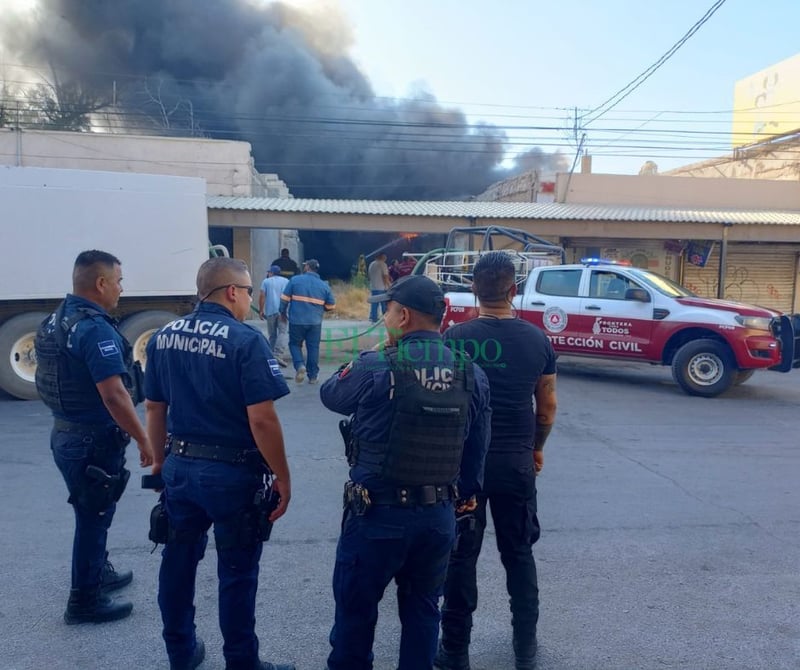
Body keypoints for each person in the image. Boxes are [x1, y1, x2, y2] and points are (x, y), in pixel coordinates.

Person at [319, 274, 492, 670]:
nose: (384, 316)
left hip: (376, 518)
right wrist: (462, 499)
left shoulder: (378, 364)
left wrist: (378, 349)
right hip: (437, 519)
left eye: (388, 310)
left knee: (355, 614)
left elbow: (331, 394)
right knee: (423, 614)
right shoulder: (472, 372)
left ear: (403, 315)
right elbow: (476, 449)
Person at [144, 257, 295, 670]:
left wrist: (159, 465)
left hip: (180, 466)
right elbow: (262, 419)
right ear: (232, 292)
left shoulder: (163, 336)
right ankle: (242, 662)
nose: (249, 300)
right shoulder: (245, 341)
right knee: (237, 574)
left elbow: (154, 408)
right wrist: (282, 475)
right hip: (232, 476)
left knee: (177, 563)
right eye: (248, 292)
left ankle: (180, 653)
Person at [435, 252, 558, 670]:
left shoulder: (454, 339)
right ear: (514, 290)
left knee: (460, 557)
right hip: (516, 463)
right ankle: (525, 648)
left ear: (474, 288)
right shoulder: (537, 339)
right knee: (519, 553)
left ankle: (454, 651)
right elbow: (547, 406)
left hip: (464, 467)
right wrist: (537, 446)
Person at [34, 249, 152, 624]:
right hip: (90, 439)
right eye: (118, 281)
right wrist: (144, 438)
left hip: (65, 433)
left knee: (95, 509)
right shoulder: (93, 327)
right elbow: (114, 394)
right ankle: (84, 601)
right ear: (101, 284)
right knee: (93, 515)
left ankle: (98, 571)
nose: (121, 288)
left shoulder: (56, 319)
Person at [279, 258, 335, 385]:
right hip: (315, 322)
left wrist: (282, 313)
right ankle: (313, 376)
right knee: (313, 348)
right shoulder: (324, 285)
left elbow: (284, 300)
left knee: (294, 344)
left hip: (296, 321)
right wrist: (320, 309)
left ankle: (299, 365)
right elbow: (331, 306)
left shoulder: (295, 280)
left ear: (307, 268)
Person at [259, 264, 290, 359]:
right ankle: (278, 352)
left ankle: (272, 352)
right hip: (283, 311)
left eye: (269, 272)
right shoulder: (286, 281)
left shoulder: (266, 282)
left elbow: (262, 296)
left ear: (271, 273)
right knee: (282, 332)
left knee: (272, 334)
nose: (268, 274)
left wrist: (261, 310)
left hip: (270, 311)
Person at [367, 252, 391, 323]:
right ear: (382, 257)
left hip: (373, 287)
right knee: (384, 303)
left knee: (374, 303)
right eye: (385, 257)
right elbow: (385, 276)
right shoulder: (383, 264)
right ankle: (385, 318)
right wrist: (389, 285)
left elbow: (369, 276)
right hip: (381, 287)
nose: (385, 258)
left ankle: (373, 318)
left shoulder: (371, 264)